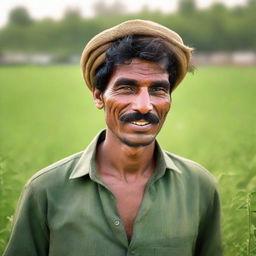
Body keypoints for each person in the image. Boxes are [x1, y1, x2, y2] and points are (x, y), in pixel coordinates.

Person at [3, 19, 222, 256]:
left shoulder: (199, 188)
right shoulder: (46, 190)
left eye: (158, 90)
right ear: (99, 97)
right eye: (127, 88)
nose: (144, 106)